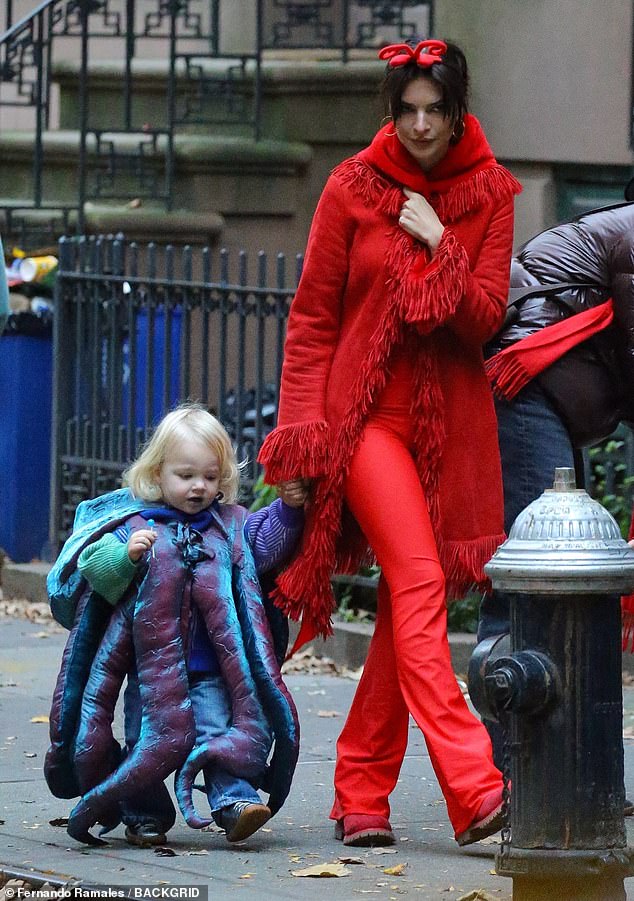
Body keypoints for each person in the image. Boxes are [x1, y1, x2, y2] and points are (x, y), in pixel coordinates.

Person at [257, 39, 521, 848]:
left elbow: (484, 318)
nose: (417, 126)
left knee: (419, 600)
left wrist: (441, 238)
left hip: (450, 431)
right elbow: (311, 321)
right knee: (413, 578)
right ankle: (475, 783)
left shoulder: (490, 193)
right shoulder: (351, 187)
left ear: (457, 110)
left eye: (433, 111)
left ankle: (361, 791)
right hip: (365, 420)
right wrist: (300, 442)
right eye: (405, 110)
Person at [46, 404, 307, 846]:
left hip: (210, 670)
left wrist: (289, 510)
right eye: (186, 475)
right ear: (157, 472)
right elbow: (96, 572)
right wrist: (126, 555)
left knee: (219, 733)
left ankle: (234, 803)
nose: (198, 486)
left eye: (209, 476)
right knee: (146, 740)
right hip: (149, 676)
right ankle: (144, 816)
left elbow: (265, 546)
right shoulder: (132, 525)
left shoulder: (230, 527)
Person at [479, 197, 634, 766]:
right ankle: (509, 772)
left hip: (557, 392)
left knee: (570, 578)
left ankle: (561, 764)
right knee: (530, 580)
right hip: (527, 380)